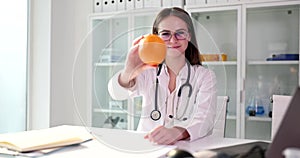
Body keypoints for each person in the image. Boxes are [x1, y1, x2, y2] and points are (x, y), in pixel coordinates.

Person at [108, 7, 217, 145]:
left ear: (189, 36)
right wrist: (129, 70)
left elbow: (205, 119)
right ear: (156, 37)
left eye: (180, 33)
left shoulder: (205, 76)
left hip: (185, 149)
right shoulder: (148, 71)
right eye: (165, 34)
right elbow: (116, 94)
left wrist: (178, 132)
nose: (173, 40)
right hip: (146, 147)